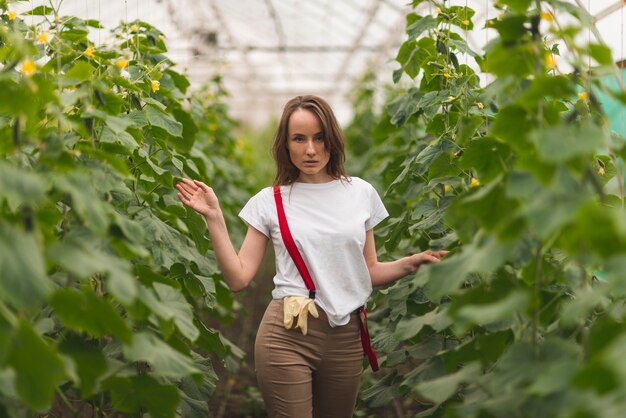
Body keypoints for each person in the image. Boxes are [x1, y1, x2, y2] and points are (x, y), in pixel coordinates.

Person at [176, 95, 447, 418]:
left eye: (319, 138)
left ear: (332, 139)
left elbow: (368, 270)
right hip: (288, 334)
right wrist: (214, 217)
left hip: (346, 336)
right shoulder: (270, 201)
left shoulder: (359, 193)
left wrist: (411, 263)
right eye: (299, 139)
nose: (310, 150)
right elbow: (238, 278)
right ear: (285, 145)